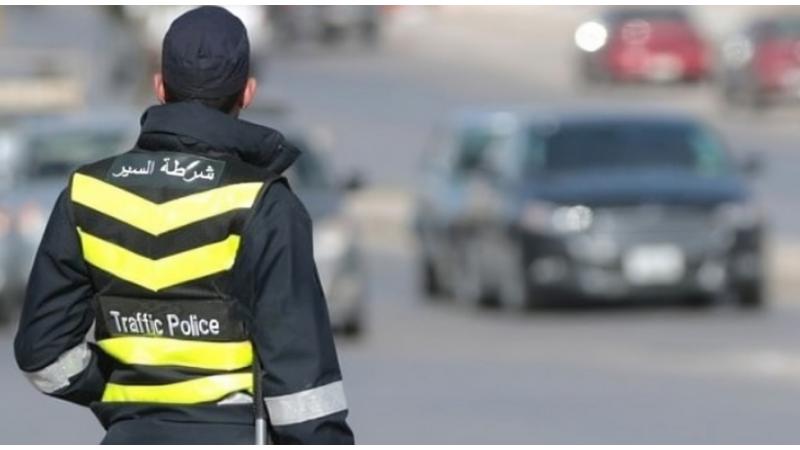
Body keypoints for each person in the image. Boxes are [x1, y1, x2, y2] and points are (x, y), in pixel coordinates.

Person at [14, 6, 354, 445]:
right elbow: (302, 388)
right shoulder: (263, 203)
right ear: (248, 92)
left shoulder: (87, 192)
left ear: (160, 86)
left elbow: (42, 353)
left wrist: (125, 395)